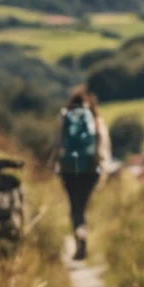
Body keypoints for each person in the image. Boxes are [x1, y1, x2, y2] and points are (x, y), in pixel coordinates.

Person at [53, 86, 111, 261]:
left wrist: (54, 163)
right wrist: (101, 168)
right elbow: (103, 146)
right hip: (90, 169)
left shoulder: (64, 116)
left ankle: (79, 234)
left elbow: (57, 143)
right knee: (83, 205)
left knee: (75, 207)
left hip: (69, 168)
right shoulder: (95, 118)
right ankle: (82, 232)